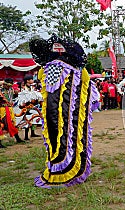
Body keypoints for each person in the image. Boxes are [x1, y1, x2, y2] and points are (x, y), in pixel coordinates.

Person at [30, 34, 100, 188]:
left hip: (52, 114)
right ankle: (66, 169)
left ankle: (56, 167)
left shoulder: (46, 69)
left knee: (55, 138)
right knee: (68, 136)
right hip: (67, 115)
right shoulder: (77, 71)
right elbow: (87, 88)